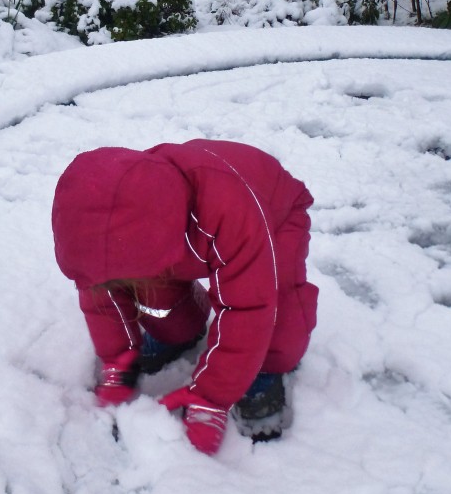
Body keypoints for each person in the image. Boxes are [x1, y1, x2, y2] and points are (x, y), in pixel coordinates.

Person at [51, 139, 317, 455]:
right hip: (177, 232)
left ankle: (263, 371)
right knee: (151, 289)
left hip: (272, 214)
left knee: (275, 310)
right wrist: (117, 358)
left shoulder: (226, 210)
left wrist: (211, 397)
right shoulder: (112, 225)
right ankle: (180, 332)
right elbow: (100, 295)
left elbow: (246, 308)